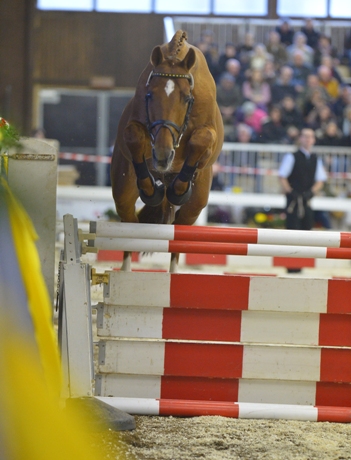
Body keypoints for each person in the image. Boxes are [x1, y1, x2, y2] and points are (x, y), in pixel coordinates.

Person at [278, 128, 327, 272]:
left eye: (310, 137)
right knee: (292, 231)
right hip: (293, 201)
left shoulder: (315, 159)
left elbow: (321, 180)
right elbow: (282, 177)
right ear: (300, 138)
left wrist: (311, 192)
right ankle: (291, 266)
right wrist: (291, 192)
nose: (308, 139)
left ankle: (302, 264)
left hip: (306, 201)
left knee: (307, 230)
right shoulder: (291, 156)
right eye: (305, 136)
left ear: (313, 140)